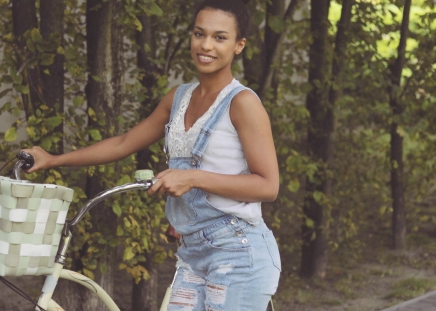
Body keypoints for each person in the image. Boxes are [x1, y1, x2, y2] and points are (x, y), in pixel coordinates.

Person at [22, 0, 281, 309]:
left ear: (239, 45)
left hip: (238, 253)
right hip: (192, 252)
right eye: (199, 34)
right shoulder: (178, 98)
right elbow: (123, 143)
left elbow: (268, 186)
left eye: (219, 37)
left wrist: (193, 177)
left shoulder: (242, 103)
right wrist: (53, 159)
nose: (206, 45)